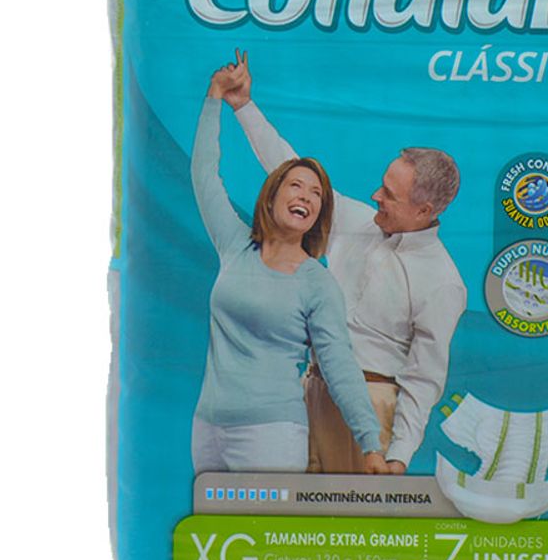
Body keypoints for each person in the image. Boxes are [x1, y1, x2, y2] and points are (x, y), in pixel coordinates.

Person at [222, 50, 467, 475]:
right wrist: (244, 106)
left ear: (424, 211)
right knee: (284, 510)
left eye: (389, 195)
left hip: (371, 407)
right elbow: (287, 169)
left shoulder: (443, 282)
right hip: (307, 393)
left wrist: (398, 456)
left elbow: (424, 378)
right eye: (382, 185)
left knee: (352, 514)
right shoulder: (356, 222)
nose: (375, 196)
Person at [190, 62, 389, 476]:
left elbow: (339, 365)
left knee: (265, 524)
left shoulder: (317, 283)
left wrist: (370, 443)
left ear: (318, 214)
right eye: (296, 185)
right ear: (272, 194)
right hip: (207, 426)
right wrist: (215, 97)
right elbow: (204, 176)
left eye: (317, 194)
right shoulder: (235, 245)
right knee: (210, 521)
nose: (307, 197)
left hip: (272, 434)